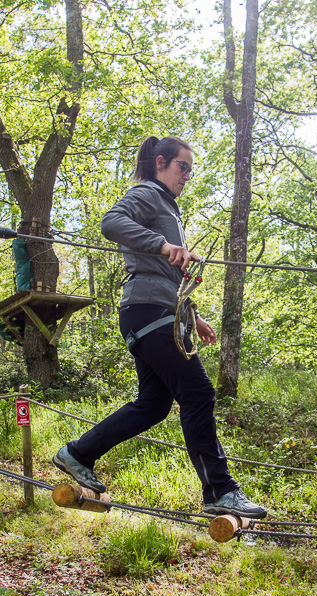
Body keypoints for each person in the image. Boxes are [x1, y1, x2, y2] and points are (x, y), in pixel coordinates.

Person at [52, 136, 266, 519]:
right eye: (183, 166)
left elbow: (168, 276)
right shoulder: (149, 193)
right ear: (161, 162)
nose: (187, 175)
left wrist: (192, 315)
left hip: (155, 310)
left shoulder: (168, 208)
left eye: (191, 170)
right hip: (148, 311)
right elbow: (111, 222)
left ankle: (78, 453)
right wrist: (164, 246)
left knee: (153, 405)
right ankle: (220, 490)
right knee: (198, 391)